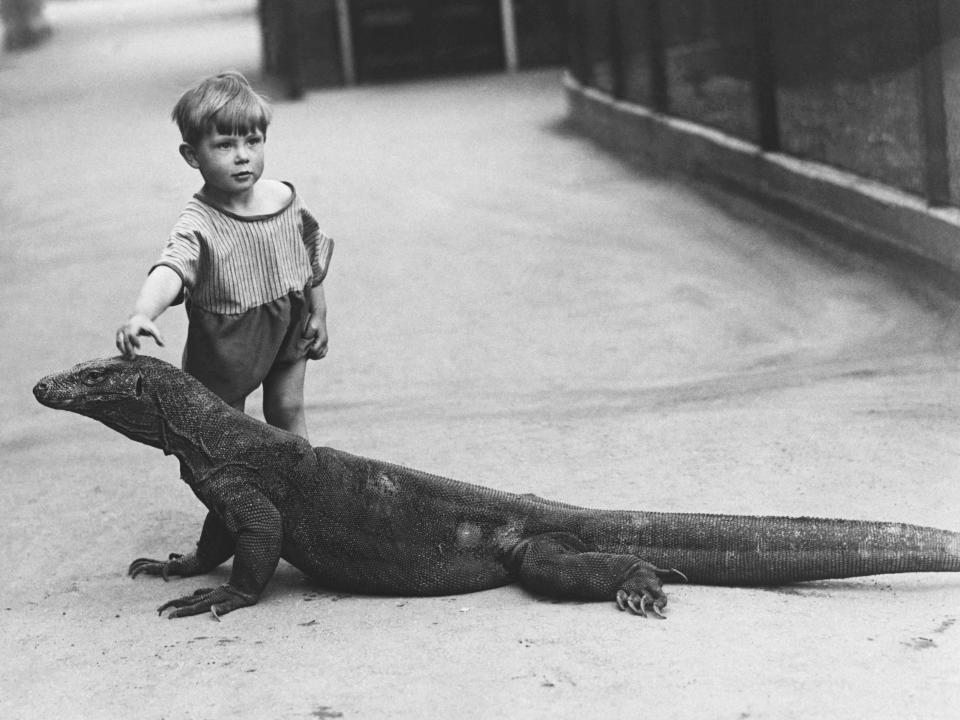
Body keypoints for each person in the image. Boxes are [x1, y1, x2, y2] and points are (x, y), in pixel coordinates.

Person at [116, 71, 333, 441]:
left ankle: (302, 489)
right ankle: (233, 495)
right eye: (224, 145)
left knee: (287, 409)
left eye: (253, 140)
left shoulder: (284, 198)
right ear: (192, 155)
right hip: (226, 342)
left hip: (287, 320)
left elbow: (309, 260)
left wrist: (319, 312)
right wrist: (142, 314)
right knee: (225, 427)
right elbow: (170, 268)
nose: (243, 156)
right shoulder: (198, 222)